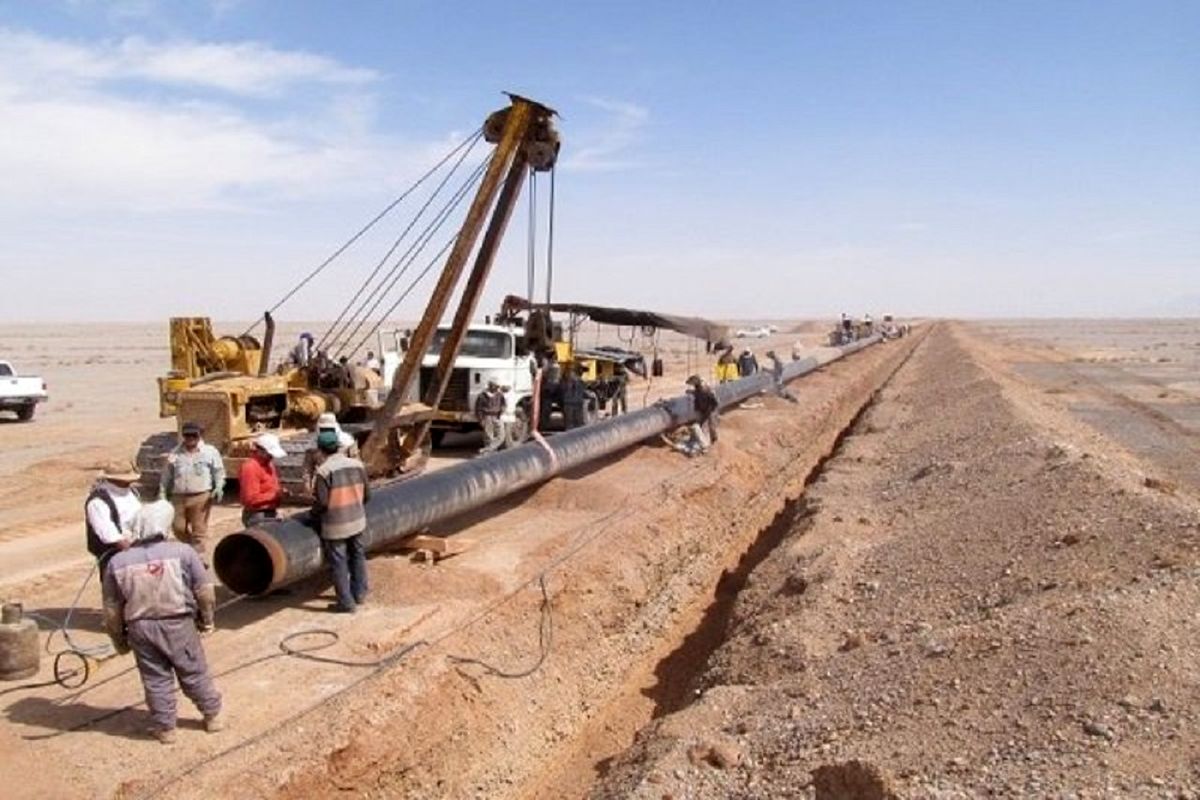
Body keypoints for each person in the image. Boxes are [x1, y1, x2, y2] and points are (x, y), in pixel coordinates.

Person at [102, 500, 222, 744]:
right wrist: (207, 620)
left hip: (140, 628)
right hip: (178, 623)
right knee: (193, 671)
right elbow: (204, 591)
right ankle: (212, 716)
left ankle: (166, 729)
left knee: (155, 679)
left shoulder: (117, 562)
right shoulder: (184, 553)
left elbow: (112, 608)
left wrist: (119, 640)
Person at [311, 430, 371, 613]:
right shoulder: (357, 465)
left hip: (335, 525)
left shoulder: (323, 471)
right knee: (358, 556)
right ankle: (360, 594)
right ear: (338, 446)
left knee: (339, 562)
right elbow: (367, 495)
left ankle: (346, 603)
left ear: (320, 450)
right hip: (358, 520)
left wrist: (312, 515)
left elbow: (322, 502)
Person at [159, 422, 225, 567]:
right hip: (179, 497)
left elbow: (218, 471)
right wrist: (162, 493)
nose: (190, 438)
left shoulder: (209, 452)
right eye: (187, 435)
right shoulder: (175, 453)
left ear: (199, 435)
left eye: (193, 435)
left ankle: (199, 559)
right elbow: (166, 475)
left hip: (201, 496)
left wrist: (219, 486)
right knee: (178, 527)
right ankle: (190, 549)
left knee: (199, 530)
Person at [85, 459, 143, 565]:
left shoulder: (132, 493)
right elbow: (110, 535)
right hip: (115, 556)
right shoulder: (98, 502)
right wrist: (136, 554)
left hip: (137, 549)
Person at [238, 433, 286, 526]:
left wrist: (280, 493)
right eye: (269, 454)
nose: (272, 457)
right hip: (257, 515)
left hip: (269, 511)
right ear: (260, 450)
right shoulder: (250, 467)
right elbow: (250, 499)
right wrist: (274, 495)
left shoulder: (269, 465)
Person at [685, 374, 720, 454]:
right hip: (705, 409)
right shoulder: (699, 388)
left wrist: (707, 413)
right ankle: (707, 440)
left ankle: (711, 442)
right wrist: (692, 392)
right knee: (703, 425)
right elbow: (698, 394)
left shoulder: (704, 389)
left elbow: (711, 401)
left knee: (710, 425)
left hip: (710, 409)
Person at [475, 380, 507, 454]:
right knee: (488, 437)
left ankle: (487, 449)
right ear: (490, 386)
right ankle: (489, 453)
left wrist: (501, 411)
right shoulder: (482, 395)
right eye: (495, 386)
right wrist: (481, 420)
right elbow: (478, 408)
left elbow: (503, 404)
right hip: (487, 417)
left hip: (497, 416)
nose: (496, 388)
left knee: (501, 436)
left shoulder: (499, 394)